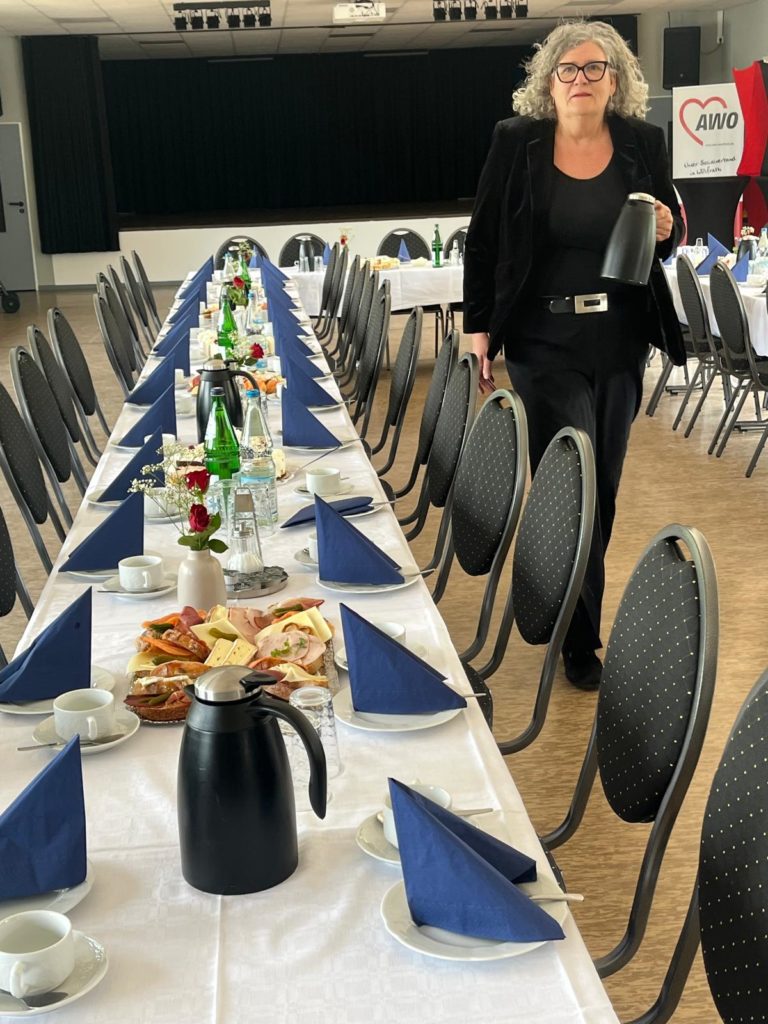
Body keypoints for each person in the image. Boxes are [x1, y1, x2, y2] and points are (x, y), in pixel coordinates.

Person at [463, 20, 683, 691]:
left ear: (615, 81)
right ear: (549, 82)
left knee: (604, 488)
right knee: (571, 480)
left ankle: (572, 610)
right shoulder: (517, 141)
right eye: (569, 70)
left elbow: (665, 237)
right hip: (541, 340)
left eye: (595, 69)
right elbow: (483, 238)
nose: (581, 80)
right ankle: (579, 638)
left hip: (619, 338)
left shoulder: (643, 143)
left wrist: (669, 229)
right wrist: (478, 330)